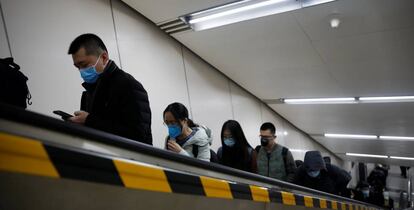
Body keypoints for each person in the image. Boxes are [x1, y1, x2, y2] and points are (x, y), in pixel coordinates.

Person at [67, 34, 152, 145]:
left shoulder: (129, 85)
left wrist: (89, 120)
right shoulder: (89, 91)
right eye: (78, 67)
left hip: (128, 160)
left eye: (84, 64)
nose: (81, 71)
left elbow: (139, 136)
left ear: (104, 57)